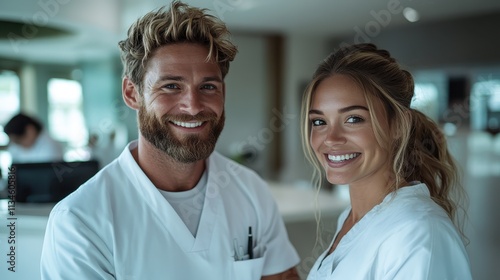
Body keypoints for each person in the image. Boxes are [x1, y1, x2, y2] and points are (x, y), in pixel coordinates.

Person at [40, 1, 300, 279]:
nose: (193, 106)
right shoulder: (80, 220)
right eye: (171, 86)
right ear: (132, 93)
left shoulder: (251, 191)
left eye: (208, 86)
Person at [300, 43, 472, 279]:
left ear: (399, 125)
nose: (331, 139)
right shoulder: (350, 220)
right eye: (319, 122)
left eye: (353, 119)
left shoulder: (419, 233)